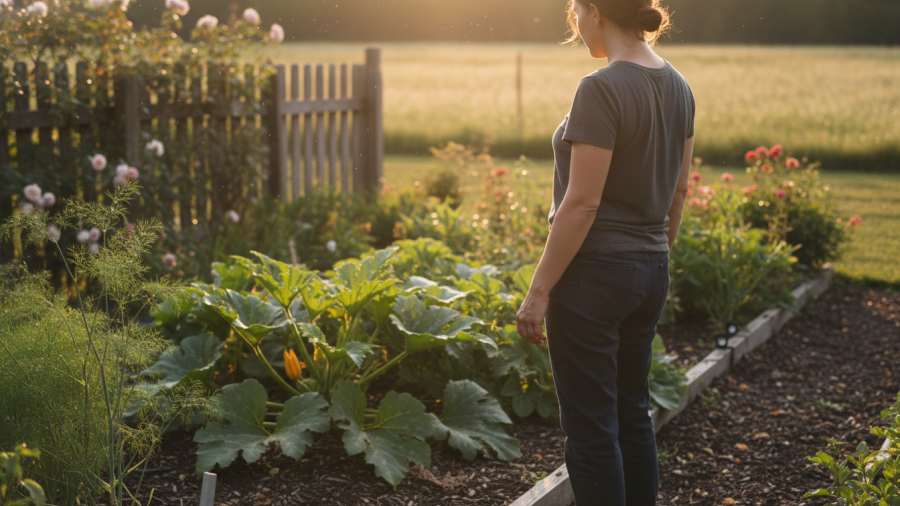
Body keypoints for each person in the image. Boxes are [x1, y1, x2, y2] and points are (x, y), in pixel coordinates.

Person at [514, 0, 694, 504]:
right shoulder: (680, 86)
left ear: (593, 11)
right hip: (651, 267)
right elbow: (679, 192)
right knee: (632, 416)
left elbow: (582, 202)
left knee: (592, 432)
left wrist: (539, 289)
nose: (573, 23)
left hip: (593, 275)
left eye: (573, 11)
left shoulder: (601, 87)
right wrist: (654, 255)